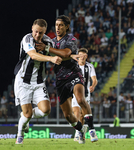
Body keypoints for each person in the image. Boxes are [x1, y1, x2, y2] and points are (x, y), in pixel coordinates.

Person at [35, 15, 98, 144]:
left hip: (74, 74)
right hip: (60, 80)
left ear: (67, 27)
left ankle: (91, 129)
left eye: (61, 25)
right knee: (68, 116)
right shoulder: (51, 41)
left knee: (80, 99)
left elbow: (65, 53)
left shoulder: (71, 39)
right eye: (56, 25)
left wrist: (48, 49)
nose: (58, 27)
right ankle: (81, 129)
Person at [14, 19, 62, 144]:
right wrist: (51, 58)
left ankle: (25, 116)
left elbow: (58, 54)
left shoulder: (48, 42)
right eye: (35, 31)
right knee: (28, 114)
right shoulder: (27, 39)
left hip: (39, 82)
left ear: (45, 32)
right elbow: (33, 55)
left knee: (46, 110)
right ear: (32, 29)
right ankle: (20, 136)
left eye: (40, 33)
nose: (37, 35)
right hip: (23, 81)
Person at [71, 48, 98, 142]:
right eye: (79, 55)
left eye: (83, 55)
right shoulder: (73, 66)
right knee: (76, 113)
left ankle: (80, 133)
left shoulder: (90, 66)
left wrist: (93, 86)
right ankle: (78, 132)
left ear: (86, 56)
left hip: (86, 94)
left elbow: (94, 79)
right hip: (74, 94)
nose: (81, 57)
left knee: (82, 115)